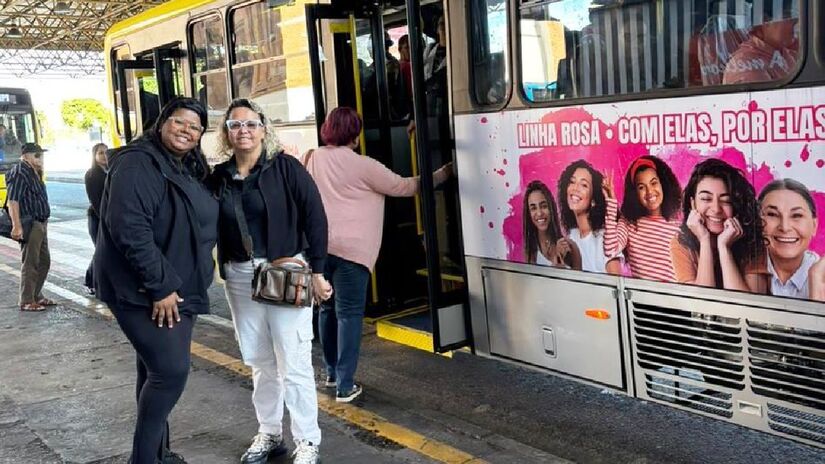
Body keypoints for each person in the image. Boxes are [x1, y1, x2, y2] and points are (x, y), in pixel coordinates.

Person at [93, 98, 216, 464]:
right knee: (169, 372)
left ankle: (158, 454)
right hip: (145, 291)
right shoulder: (137, 162)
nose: (186, 130)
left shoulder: (177, 165)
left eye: (195, 128)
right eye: (179, 122)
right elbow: (129, 228)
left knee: (151, 370)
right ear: (161, 124)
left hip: (177, 286)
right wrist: (160, 286)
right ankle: (144, 459)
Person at [210, 99, 332, 464]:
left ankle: (307, 441)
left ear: (264, 128)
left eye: (250, 124)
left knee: (293, 360)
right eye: (235, 125)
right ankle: (270, 432)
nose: (243, 131)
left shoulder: (286, 168)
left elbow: (316, 216)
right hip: (238, 275)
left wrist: (318, 271)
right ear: (226, 133)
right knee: (260, 361)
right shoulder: (218, 177)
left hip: (283, 274)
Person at [304, 107, 451, 404]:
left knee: (326, 311)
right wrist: (445, 172)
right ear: (355, 135)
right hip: (353, 253)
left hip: (319, 250)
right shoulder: (364, 165)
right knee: (348, 316)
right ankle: (345, 385)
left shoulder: (310, 158)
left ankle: (332, 373)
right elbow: (407, 186)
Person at [670, 158, 767, 292]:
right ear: (693, 204)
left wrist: (724, 247)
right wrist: (704, 241)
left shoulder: (752, 241)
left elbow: (749, 307)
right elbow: (701, 304)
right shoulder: (681, 243)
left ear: (736, 204)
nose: (716, 209)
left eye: (726, 201)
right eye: (706, 199)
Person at [604, 156, 682, 282]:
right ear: (635, 193)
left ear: (663, 184)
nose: (649, 191)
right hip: (643, 298)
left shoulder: (677, 226)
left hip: (673, 298)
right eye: (641, 187)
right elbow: (610, 250)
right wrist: (611, 203)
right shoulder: (629, 224)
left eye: (653, 183)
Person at [757, 179, 825, 301]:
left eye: (797, 215)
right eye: (772, 214)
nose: (785, 227)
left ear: (814, 226)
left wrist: (817, 286)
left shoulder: (820, 273)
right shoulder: (743, 269)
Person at [6, 142, 53, 312]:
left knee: (44, 261)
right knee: (31, 262)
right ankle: (26, 300)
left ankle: (36, 294)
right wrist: (16, 226)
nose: (41, 158)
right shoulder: (20, 172)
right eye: (37, 155)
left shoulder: (35, 172)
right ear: (26, 156)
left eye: (41, 155)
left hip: (40, 222)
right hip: (30, 223)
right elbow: (13, 201)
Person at [557, 160, 620, 273]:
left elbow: (617, 284)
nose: (575, 188)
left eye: (584, 185)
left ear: (593, 200)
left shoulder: (605, 238)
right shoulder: (572, 236)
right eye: (572, 182)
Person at [523, 180, 581, 269]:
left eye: (543, 206)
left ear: (551, 208)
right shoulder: (530, 251)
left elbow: (579, 282)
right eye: (533, 208)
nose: (539, 213)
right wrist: (555, 263)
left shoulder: (570, 247)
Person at [84, 142, 108, 294]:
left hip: (108, 217)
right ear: (94, 156)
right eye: (100, 153)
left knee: (105, 251)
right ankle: (91, 281)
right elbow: (96, 201)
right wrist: (106, 220)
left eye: (106, 152)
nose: (105, 155)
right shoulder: (92, 174)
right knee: (101, 250)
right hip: (98, 218)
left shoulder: (110, 171)